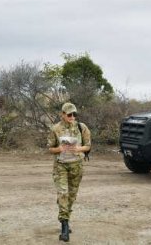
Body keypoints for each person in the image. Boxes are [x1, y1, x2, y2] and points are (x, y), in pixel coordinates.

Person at [47, 102, 91, 242]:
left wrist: (79, 149)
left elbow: (88, 146)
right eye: (69, 114)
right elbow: (50, 149)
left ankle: (65, 214)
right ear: (63, 115)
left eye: (74, 114)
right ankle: (64, 226)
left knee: (71, 196)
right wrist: (59, 149)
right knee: (63, 193)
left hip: (76, 166)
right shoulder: (56, 129)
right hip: (61, 166)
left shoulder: (81, 127)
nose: (72, 116)